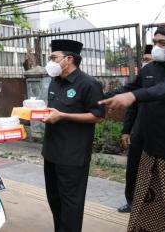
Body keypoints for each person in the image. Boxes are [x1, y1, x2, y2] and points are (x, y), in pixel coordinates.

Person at [99, 22, 165, 231]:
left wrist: (133, 96)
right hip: (151, 152)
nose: (156, 48)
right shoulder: (151, 69)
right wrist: (91, 99)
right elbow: (128, 88)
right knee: (148, 207)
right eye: (154, 43)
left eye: (163, 43)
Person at [41, 39, 105, 232]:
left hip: (73, 154)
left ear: (68, 59)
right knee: (54, 198)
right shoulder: (55, 81)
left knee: (71, 203)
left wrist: (63, 116)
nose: (50, 62)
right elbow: (53, 110)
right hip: (51, 151)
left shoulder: (89, 84)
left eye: (54, 57)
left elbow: (98, 116)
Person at [117, 44, 153, 213]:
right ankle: (131, 202)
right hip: (139, 132)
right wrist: (126, 130)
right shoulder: (142, 80)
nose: (147, 63)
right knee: (133, 169)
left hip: (160, 135)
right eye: (145, 60)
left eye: (150, 60)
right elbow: (132, 108)